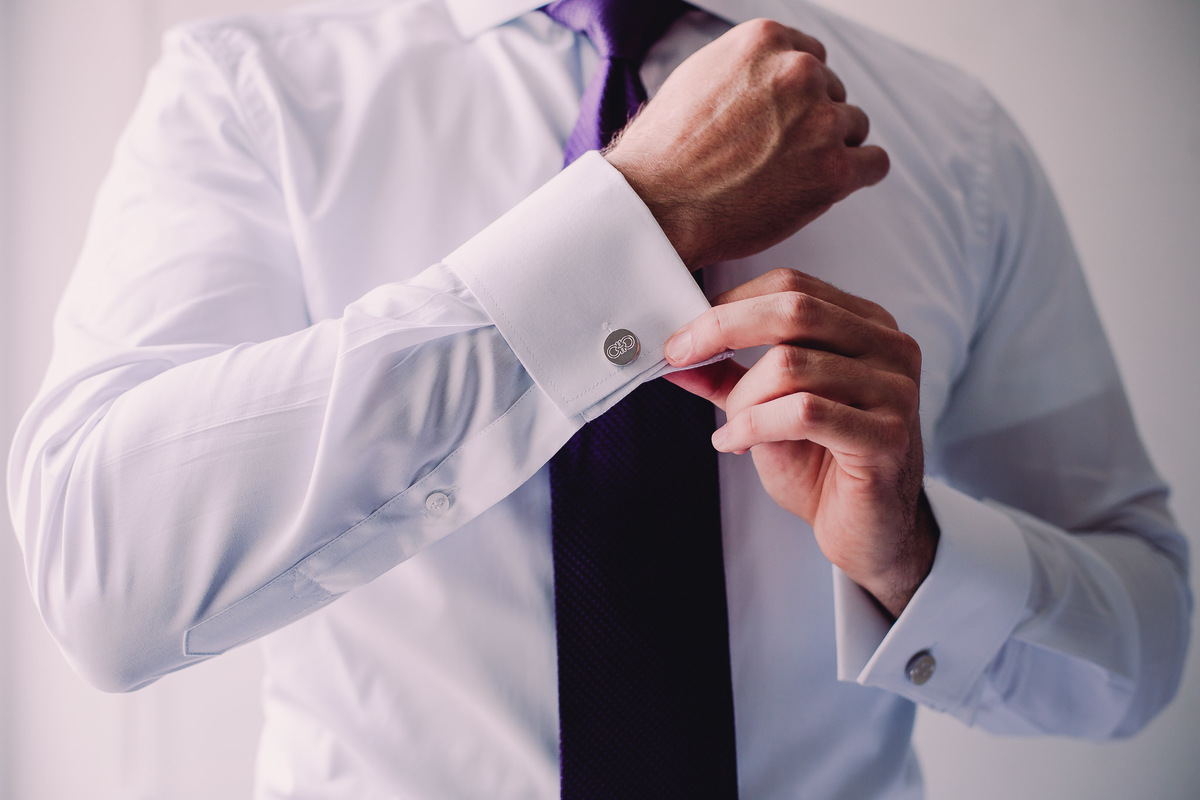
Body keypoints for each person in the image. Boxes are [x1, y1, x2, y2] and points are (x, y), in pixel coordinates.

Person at [7, 0, 1190, 797]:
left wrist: (916, 557)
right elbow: (104, 578)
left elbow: (1135, 657)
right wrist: (639, 212)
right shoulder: (254, 92)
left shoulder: (956, 142)